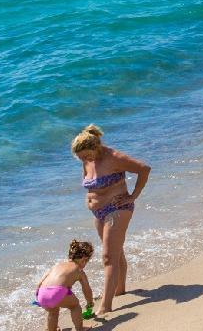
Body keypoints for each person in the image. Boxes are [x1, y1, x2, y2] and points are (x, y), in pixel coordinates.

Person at [72, 125, 148, 315]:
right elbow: (91, 186)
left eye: (85, 155)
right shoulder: (87, 160)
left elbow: (144, 169)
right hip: (99, 213)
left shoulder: (114, 157)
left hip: (117, 209)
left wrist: (133, 196)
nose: (83, 160)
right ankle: (119, 290)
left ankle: (106, 306)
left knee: (108, 257)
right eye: (80, 157)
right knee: (116, 252)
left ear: (95, 147)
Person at [33, 239, 95, 331]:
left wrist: (38, 293)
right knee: (75, 305)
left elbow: (42, 280)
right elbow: (87, 290)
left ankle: (52, 329)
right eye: (87, 261)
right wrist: (90, 302)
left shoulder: (58, 265)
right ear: (84, 259)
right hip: (57, 292)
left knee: (53, 312)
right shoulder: (80, 271)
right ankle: (80, 328)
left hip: (42, 292)